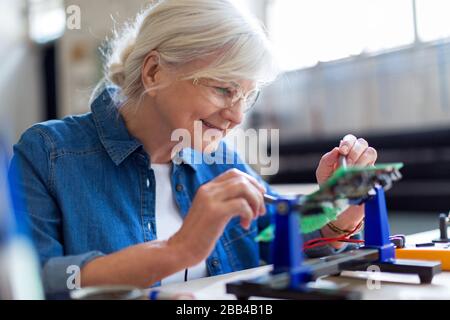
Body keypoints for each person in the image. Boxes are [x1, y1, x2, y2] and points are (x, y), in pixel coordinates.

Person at [9, 0, 377, 294]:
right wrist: (177, 251)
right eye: (223, 89)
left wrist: (339, 205)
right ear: (154, 73)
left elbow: (279, 241)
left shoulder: (222, 161)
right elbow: (36, 283)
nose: (235, 117)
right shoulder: (49, 154)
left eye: (246, 96)